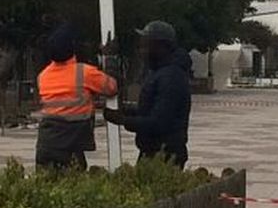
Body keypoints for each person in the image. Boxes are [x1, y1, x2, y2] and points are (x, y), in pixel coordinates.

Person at [103, 20, 192, 168]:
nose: (141, 50)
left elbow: (159, 122)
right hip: (152, 152)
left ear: (160, 46)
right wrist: (126, 111)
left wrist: (124, 120)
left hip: (165, 156)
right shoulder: (159, 72)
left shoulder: (171, 77)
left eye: (146, 45)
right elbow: (150, 109)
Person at [34, 23, 119, 170]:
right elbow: (112, 88)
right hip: (71, 145)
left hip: (46, 145)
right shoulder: (84, 73)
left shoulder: (43, 76)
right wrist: (110, 58)